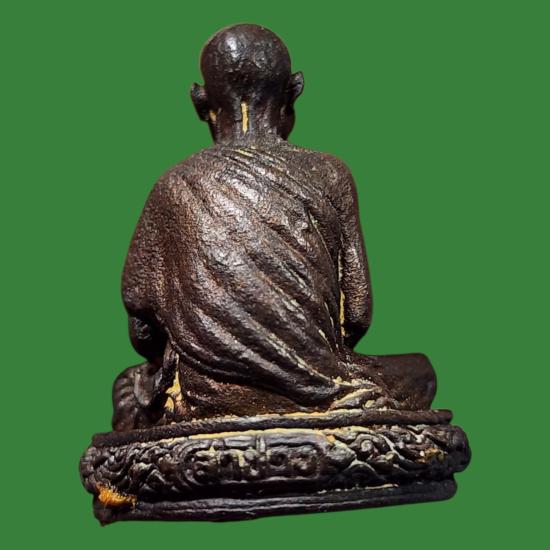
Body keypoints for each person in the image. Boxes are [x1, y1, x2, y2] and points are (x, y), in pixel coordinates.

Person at [113, 24, 435, 430]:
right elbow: (356, 315)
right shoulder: (330, 174)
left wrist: (203, 350)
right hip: (321, 384)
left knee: (128, 387)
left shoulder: (172, 187)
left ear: (200, 101)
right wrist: (301, 357)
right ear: (294, 91)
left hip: (203, 396)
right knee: (421, 373)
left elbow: (142, 325)